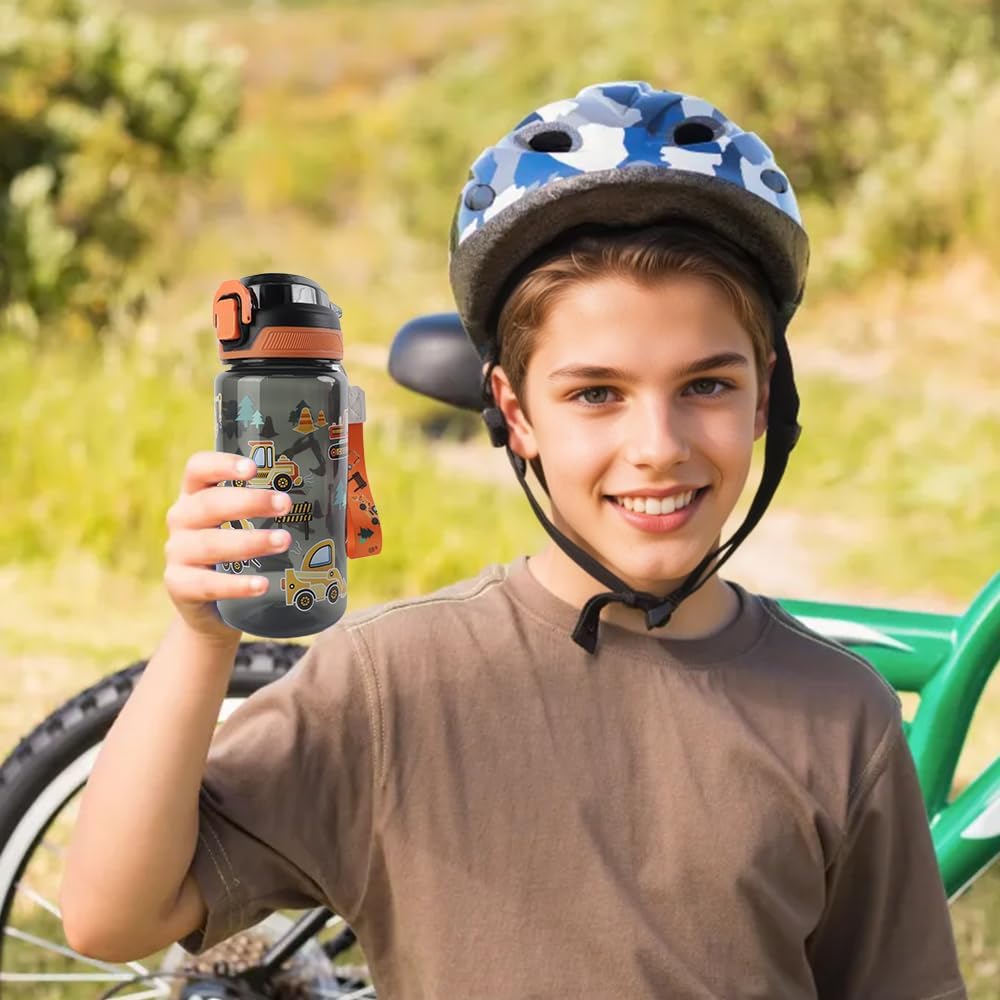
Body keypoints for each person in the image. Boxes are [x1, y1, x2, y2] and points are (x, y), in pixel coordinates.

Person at [61, 82, 966, 998]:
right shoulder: (395, 686)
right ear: (513, 412)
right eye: (595, 393)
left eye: (706, 386)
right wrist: (204, 637)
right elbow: (113, 915)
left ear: (764, 395)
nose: (657, 448)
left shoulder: (841, 715)